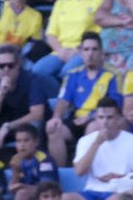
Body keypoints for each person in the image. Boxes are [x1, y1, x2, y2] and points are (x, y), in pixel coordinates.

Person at [46, 32, 120, 167]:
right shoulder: (72, 75)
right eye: (86, 49)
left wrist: (91, 117)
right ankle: (60, 173)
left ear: (101, 52)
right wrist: (56, 117)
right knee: (53, 128)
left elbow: (115, 106)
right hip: (76, 119)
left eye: (94, 49)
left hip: (99, 119)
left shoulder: (112, 75)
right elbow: (63, 100)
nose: (90, 54)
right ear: (80, 52)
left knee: (93, 128)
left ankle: (87, 171)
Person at [63, 99, 133, 200]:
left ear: (118, 119)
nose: (105, 122)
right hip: (92, 191)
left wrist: (119, 178)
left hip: (120, 191)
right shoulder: (85, 141)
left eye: (109, 117)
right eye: (101, 117)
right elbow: (79, 171)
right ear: (96, 119)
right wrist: (96, 143)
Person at [32, 0, 103, 82]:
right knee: (37, 71)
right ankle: (55, 94)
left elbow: (99, 33)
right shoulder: (61, 3)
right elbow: (50, 34)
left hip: (84, 52)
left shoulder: (99, 1)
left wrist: (78, 50)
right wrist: (60, 51)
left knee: (67, 72)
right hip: (60, 51)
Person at [0, 45, 48, 151]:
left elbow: (37, 114)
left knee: (35, 125)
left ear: (18, 64)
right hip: (0, 126)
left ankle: (34, 160)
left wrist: (8, 126)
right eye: (1, 66)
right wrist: (0, 94)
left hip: (24, 124)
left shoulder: (32, 79)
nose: (6, 69)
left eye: (10, 65)